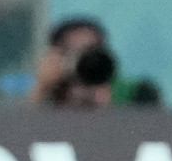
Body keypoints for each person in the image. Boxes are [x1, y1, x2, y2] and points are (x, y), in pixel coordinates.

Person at [28, 16, 160, 106]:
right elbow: (21, 131)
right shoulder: (51, 93)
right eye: (73, 52)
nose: (84, 60)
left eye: (91, 51)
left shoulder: (138, 93)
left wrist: (105, 102)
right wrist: (40, 89)